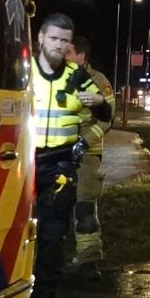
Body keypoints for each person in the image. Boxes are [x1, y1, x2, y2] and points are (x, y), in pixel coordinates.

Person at [30, 14, 84, 286]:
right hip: (21, 162)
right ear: (40, 37)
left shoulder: (77, 76)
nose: (59, 44)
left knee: (53, 229)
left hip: (60, 163)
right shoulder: (22, 70)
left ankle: (46, 290)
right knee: (15, 227)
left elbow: (103, 111)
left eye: (65, 40)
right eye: (53, 38)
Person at [64, 34, 114, 280]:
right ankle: (54, 260)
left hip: (86, 157)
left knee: (84, 208)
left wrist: (84, 142)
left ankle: (88, 262)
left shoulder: (98, 81)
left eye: (68, 52)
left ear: (81, 56)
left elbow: (106, 120)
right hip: (57, 156)